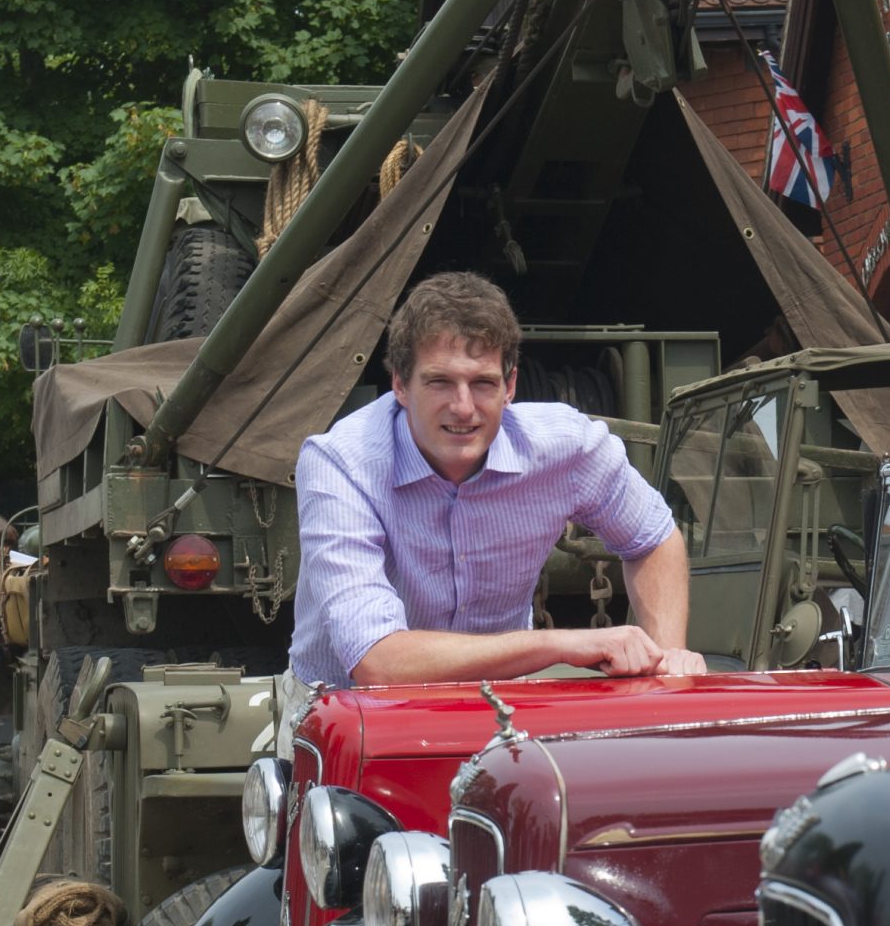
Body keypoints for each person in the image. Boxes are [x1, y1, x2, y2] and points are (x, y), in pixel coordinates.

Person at [290, 272, 706, 708]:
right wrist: (559, 646)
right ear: (400, 385)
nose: (463, 407)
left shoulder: (568, 447)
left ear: (510, 386)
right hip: (345, 718)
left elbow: (653, 536)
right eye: (440, 382)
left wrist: (668, 661)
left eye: (483, 383)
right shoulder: (341, 464)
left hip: (495, 708)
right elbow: (378, 662)